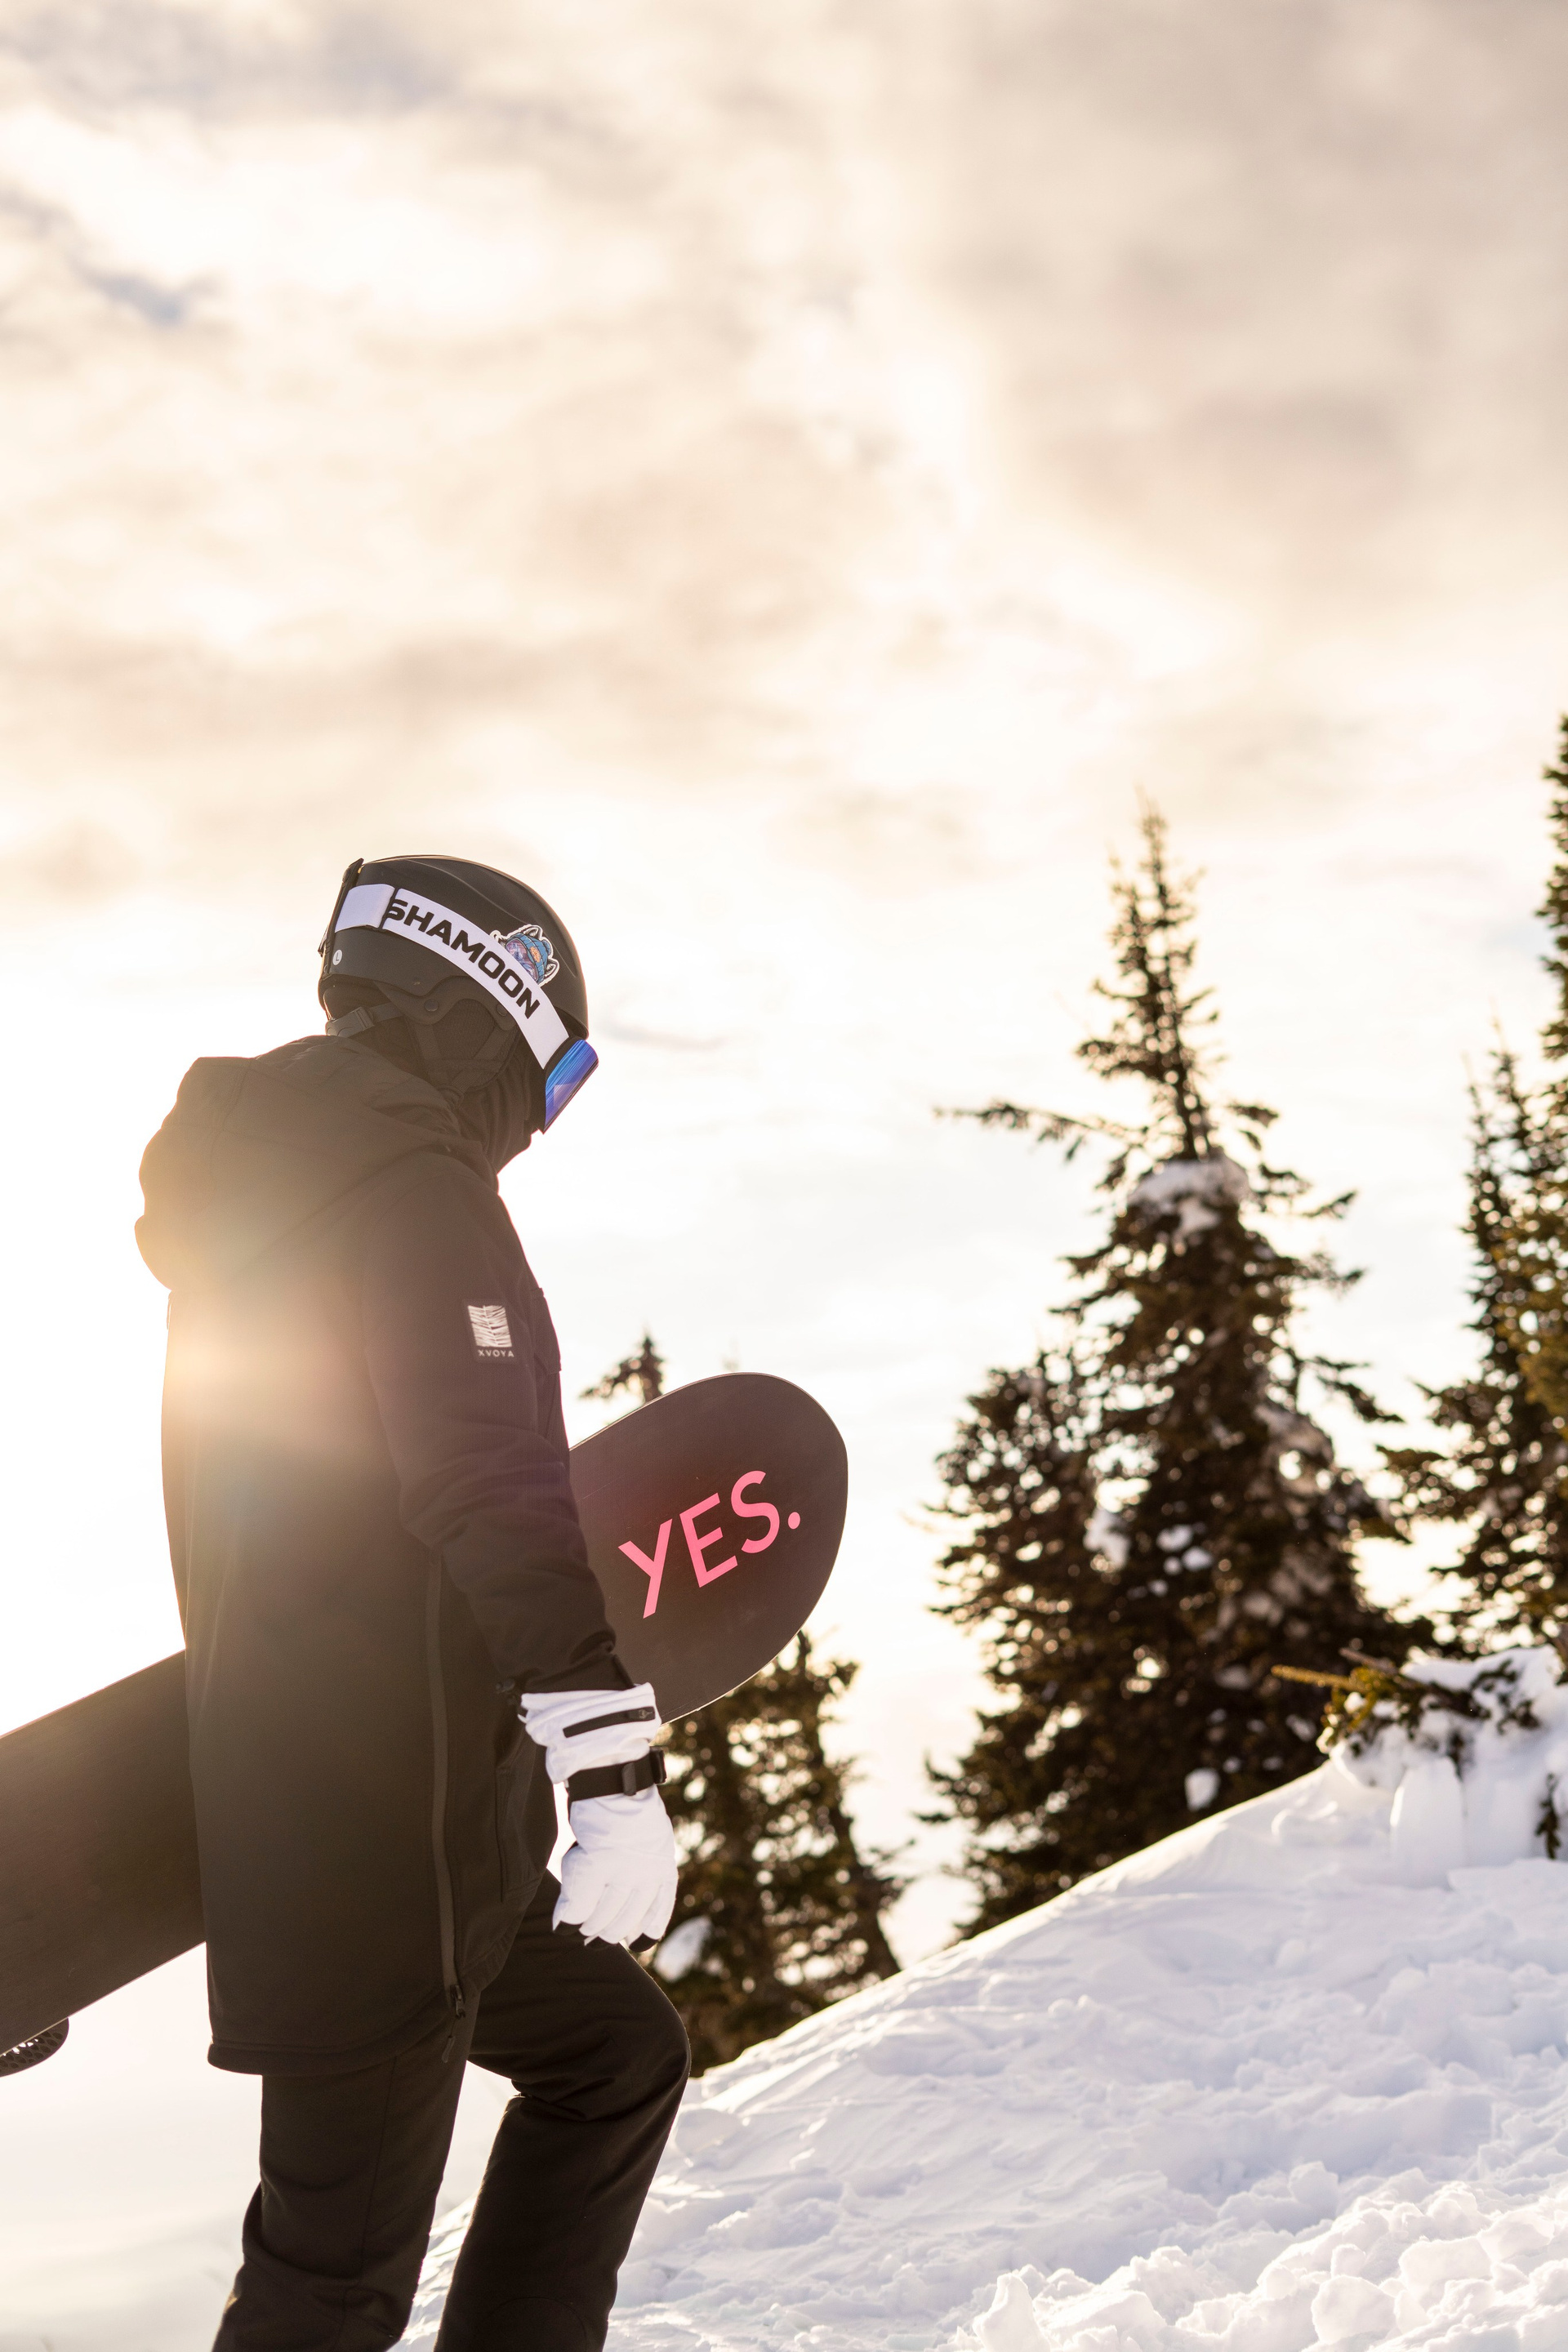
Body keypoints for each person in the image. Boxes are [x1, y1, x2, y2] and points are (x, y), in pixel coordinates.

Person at [136, 855, 688, 2352]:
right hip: (388, 1856)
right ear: (490, 1013)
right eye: (557, 1074)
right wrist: (611, 1762)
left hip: (382, 1831)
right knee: (330, 2289)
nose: (541, 1119)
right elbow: (490, 1484)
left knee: (614, 2056)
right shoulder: (412, 1188)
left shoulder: (263, 1204)